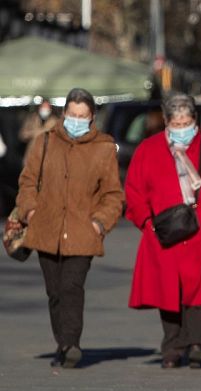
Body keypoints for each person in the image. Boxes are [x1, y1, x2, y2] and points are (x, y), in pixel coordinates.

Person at [124, 92, 201, 368]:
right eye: (176, 123)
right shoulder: (148, 149)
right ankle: (172, 346)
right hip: (163, 234)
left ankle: (197, 343)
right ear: (166, 122)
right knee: (167, 293)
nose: (181, 128)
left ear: (195, 121)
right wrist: (146, 221)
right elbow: (134, 192)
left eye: (186, 121)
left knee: (199, 293)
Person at [12, 88, 124, 368]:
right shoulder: (45, 142)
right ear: (64, 115)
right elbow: (27, 181)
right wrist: (31, 209)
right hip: (45, 227)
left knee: (72, 286)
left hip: (83, 231)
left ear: (92, 117)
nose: (76, 120)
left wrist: (99, 223)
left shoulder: (104, 147)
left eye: (82, 116)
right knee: (55, 292)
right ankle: (62, 342)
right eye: (72, 115)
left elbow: (113, 194)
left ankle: (72, 343)